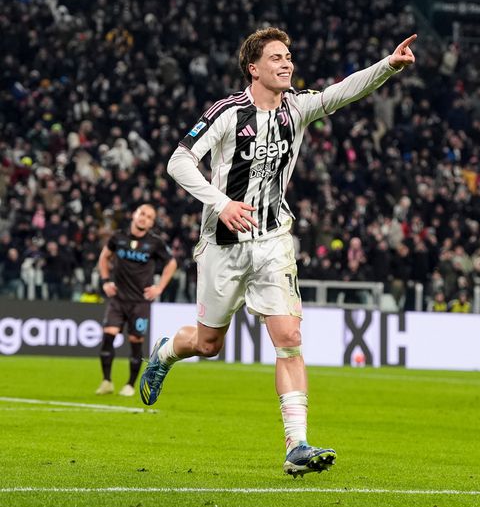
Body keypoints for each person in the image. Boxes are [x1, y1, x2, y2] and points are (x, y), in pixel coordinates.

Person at [140, 27, 417, 477]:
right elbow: (178, 161)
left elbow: (344, 91)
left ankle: (297, 445)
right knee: (208, 344)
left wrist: (388, 65)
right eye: (276, 58)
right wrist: (222, 203)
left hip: (273, 241)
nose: (286, 63)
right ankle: (167, 352)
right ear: (253, 68)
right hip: (223, 245)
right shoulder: (227, 112)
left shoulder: (297, 107)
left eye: (288, 56)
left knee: (288, 338)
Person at [96, 204, 177, 397]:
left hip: (140, 302)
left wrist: (159, 288)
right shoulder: (118, 237)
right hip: (118, 299)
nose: (144, 218)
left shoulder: (155, 243)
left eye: (149, 217)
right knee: (108, 337)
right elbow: (104, 257)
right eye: (142, 213)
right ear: (134, 214)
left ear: (151, 223)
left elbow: (172, 263)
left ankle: (130, 385)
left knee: (135, 341)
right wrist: (105, 281)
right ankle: (106, 381)